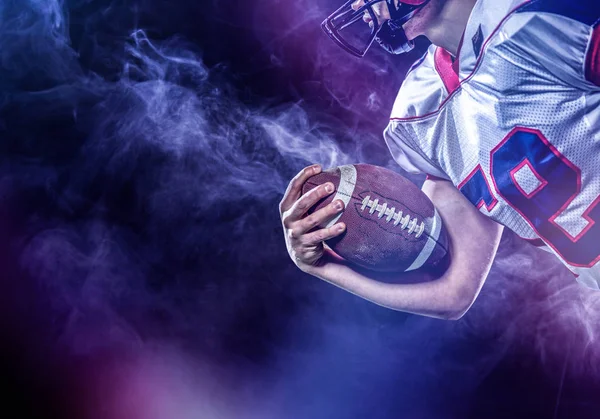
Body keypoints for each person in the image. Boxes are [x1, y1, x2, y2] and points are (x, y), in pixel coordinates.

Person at [279, 0, 600, 319]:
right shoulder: (420, 107)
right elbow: (453, 291)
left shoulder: (542, 17)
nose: (362, 5)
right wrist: (320, 265)